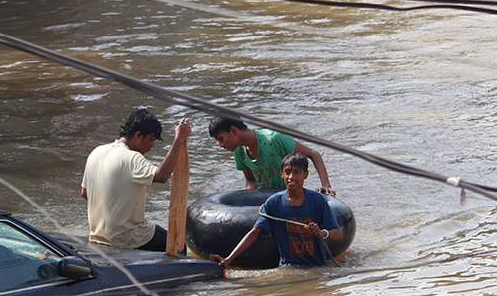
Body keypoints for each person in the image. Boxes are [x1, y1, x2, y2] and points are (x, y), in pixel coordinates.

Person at [81, 109, 190, 251]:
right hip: (128, 238)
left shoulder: (96, 152)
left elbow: (85, 193)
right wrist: (178, 139)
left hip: (98, 235)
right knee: (179, 246)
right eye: (151, 140)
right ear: (138, 135)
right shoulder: (132, 157)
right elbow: (161, 176)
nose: (152, 146)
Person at [211, 153, 342, 268]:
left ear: (305, 175)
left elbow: (338, 233)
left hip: (317, 266)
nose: (291, 177)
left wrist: (321, 232)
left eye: (297, 172)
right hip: (289, 266)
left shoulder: (317, 200)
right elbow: (255, 233)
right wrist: (228, 259)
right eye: (288, 172)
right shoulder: (274, 203)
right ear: (282, 174)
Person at [208, 116, 335, 196]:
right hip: (266, 197)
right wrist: (249, 198)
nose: (221, 145)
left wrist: (326, 185)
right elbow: (251, 180)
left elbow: (313, 154)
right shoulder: (239, 151)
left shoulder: (274, 139)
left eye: (221, 139)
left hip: (289, 195)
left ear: (234, 131)